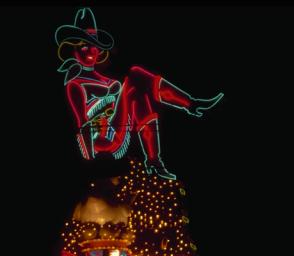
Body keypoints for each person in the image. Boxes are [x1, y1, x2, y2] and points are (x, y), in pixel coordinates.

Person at [55, 8, 223, 180]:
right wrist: (90, 162)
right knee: (135, 74)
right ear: (73, 50)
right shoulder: (75, 84)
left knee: (139, 95)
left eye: (93, 45)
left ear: (99, 50)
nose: (90, 51)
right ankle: (192, 104)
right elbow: (82, 125)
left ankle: (154, 160)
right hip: (98, 141)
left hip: (117, 135)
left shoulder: (111, 82)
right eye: (83, 46)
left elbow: (126, 104)